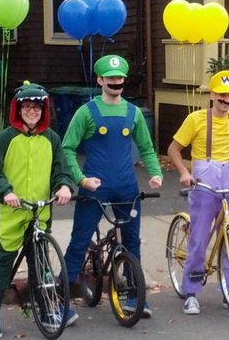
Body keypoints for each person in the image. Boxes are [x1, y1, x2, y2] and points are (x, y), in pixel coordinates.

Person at [62, 54, 162, 318]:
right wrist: (81, 179)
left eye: (119, 78)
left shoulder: (133, 112)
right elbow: (67, 148)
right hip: (94, 189)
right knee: (79, 242)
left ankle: (134, 296)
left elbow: (147, 148)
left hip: (127, 188)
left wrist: (155, 173)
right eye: (110, 78)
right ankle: (60, 300)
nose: (116, 82)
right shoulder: (87, 112)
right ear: (100, 80)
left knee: (131, 242)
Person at [0, 81, 75, 339]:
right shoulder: (5, 138)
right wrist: (5, 191)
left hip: (38, 212)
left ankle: (44, 311)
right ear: (18, 110)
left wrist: (64, 185)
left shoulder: (52, 139)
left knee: (40, 263)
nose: (32, 111)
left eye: (37, 107)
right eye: (27, 107)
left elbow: (61, 169)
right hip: (7, 213)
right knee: (1, 265)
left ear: (44, 110)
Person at [167, 70, 229, 315]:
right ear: (212, 95)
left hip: (228, 172)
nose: (227, 101)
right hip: (204, 173)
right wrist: (184, 173)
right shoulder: (196, 119)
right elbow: (174, 149)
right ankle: (191, 291)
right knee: (199, 235)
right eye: (222, 96)